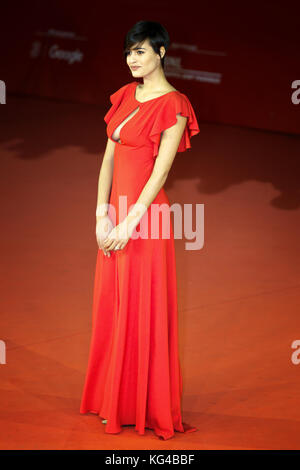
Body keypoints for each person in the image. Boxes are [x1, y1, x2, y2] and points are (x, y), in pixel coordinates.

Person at [79, 20, 200, 440]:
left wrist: (129, 223)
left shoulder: (175, 105)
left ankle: (145, 405)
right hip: (115, 213)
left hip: (146, 219)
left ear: (161, 53)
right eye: (129, 51)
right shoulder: (126, 94)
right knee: (112, 306)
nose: (133, 59)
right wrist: (101, 215)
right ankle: (113, 398)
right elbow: (108, 160)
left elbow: (160, 173)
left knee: (141, 309)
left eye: (141, 51)